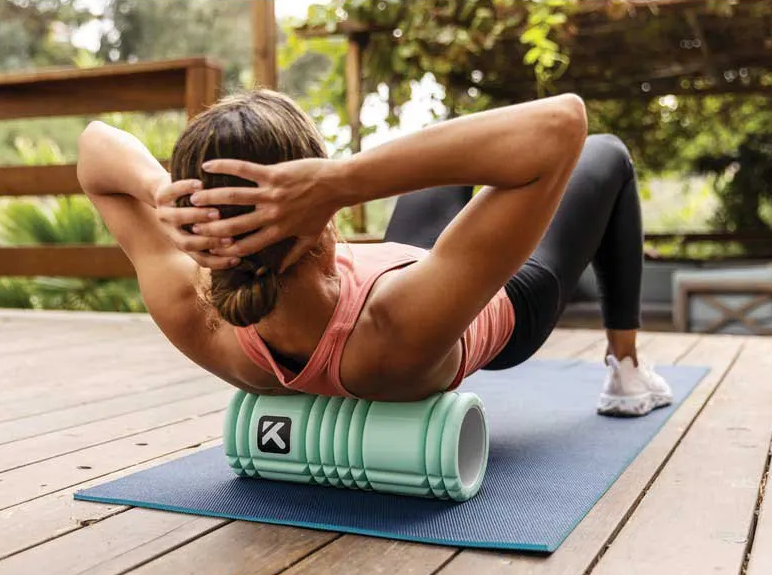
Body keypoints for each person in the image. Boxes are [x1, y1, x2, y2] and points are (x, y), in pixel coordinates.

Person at [77, 88, 672, 416]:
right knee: (607, 154)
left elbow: (95, 146)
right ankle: (626, 370)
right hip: (485, 296)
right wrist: (339, 180)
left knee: (453, 143)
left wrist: (161, 193)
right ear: (316, 208)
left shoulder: (195, 311)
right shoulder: (389, 329)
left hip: (411, 267)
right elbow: (563, 124)